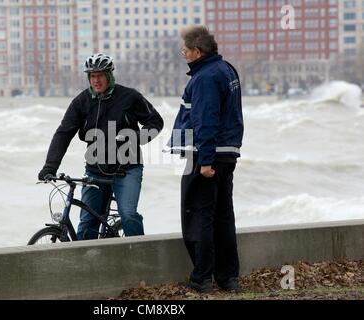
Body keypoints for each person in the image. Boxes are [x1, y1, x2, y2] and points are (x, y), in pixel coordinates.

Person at [38, 53, 164, 240]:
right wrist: (50, 166)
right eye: (92, 76)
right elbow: (63, 133)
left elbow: (156, 122)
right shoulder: (81, 102)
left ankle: (141, 258)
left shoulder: (130, 97)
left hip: (126, 169)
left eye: (100, 76)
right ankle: (86, 266)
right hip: (95, 171)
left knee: (128, 215)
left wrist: (135, 138)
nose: (96, 80)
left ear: (110, 75)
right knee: (87, 223)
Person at [168, 26, 244, 293]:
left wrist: (206, 161)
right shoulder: (227, 69)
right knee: (224, 217)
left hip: (206, 157)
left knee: (198, 217)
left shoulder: (204, 78)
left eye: (185, 51)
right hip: (228, 154)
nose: (184, 55)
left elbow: (206, 121)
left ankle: (202, 279)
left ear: (197, 51)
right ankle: (228, 278)